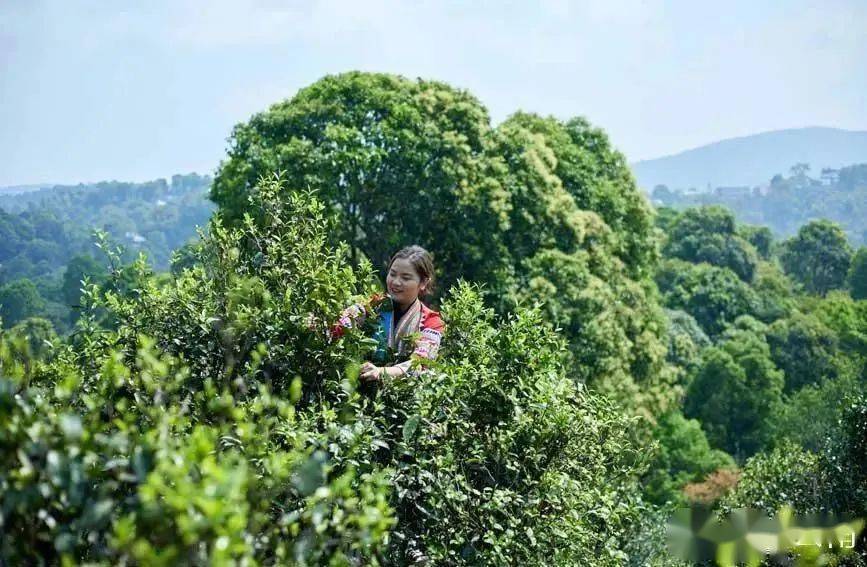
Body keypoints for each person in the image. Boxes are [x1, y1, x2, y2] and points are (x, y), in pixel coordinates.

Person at [330, 245, 445, 382]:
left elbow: (420, 364)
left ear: (423, 283)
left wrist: (380, 372)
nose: (396, 282)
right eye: (392, 274)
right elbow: (337, 327)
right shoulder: (373, 306)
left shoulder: (431, 322)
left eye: (406, 278)